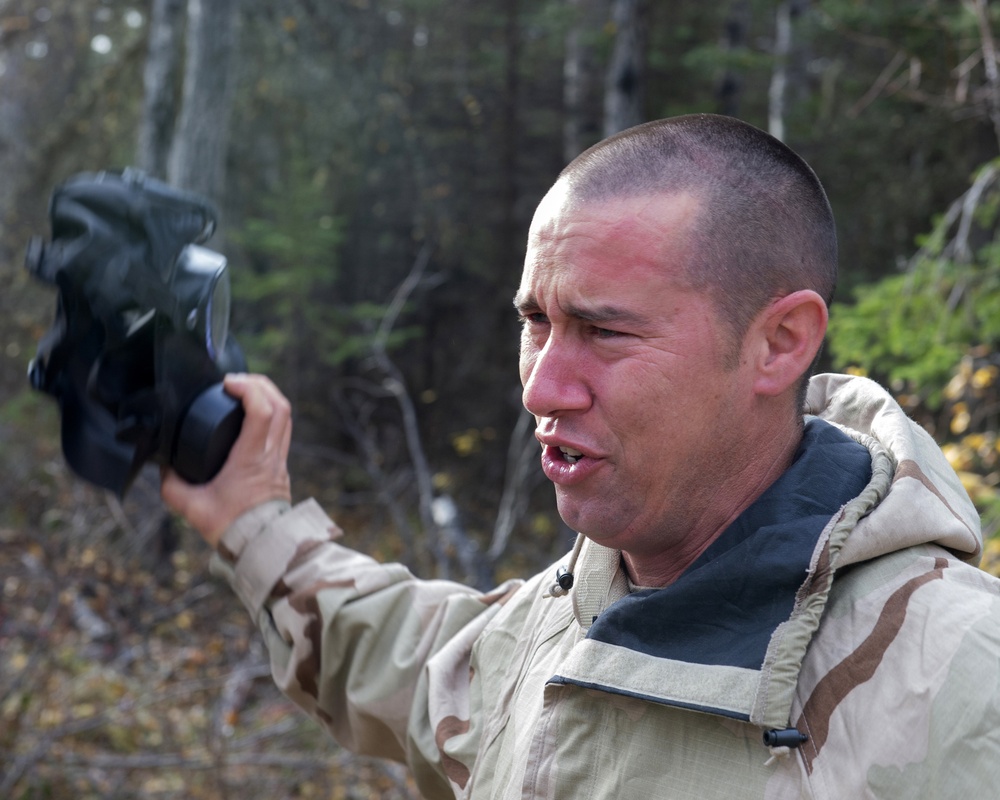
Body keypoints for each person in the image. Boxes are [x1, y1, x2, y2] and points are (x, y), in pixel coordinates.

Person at [162, 114, 1000, 798]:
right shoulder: (550, 626)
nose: (542, 387)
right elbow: (394, 655)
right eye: (536, 323)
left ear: (779, 343)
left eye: (603, 330)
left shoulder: (959, 680)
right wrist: (249, 513)